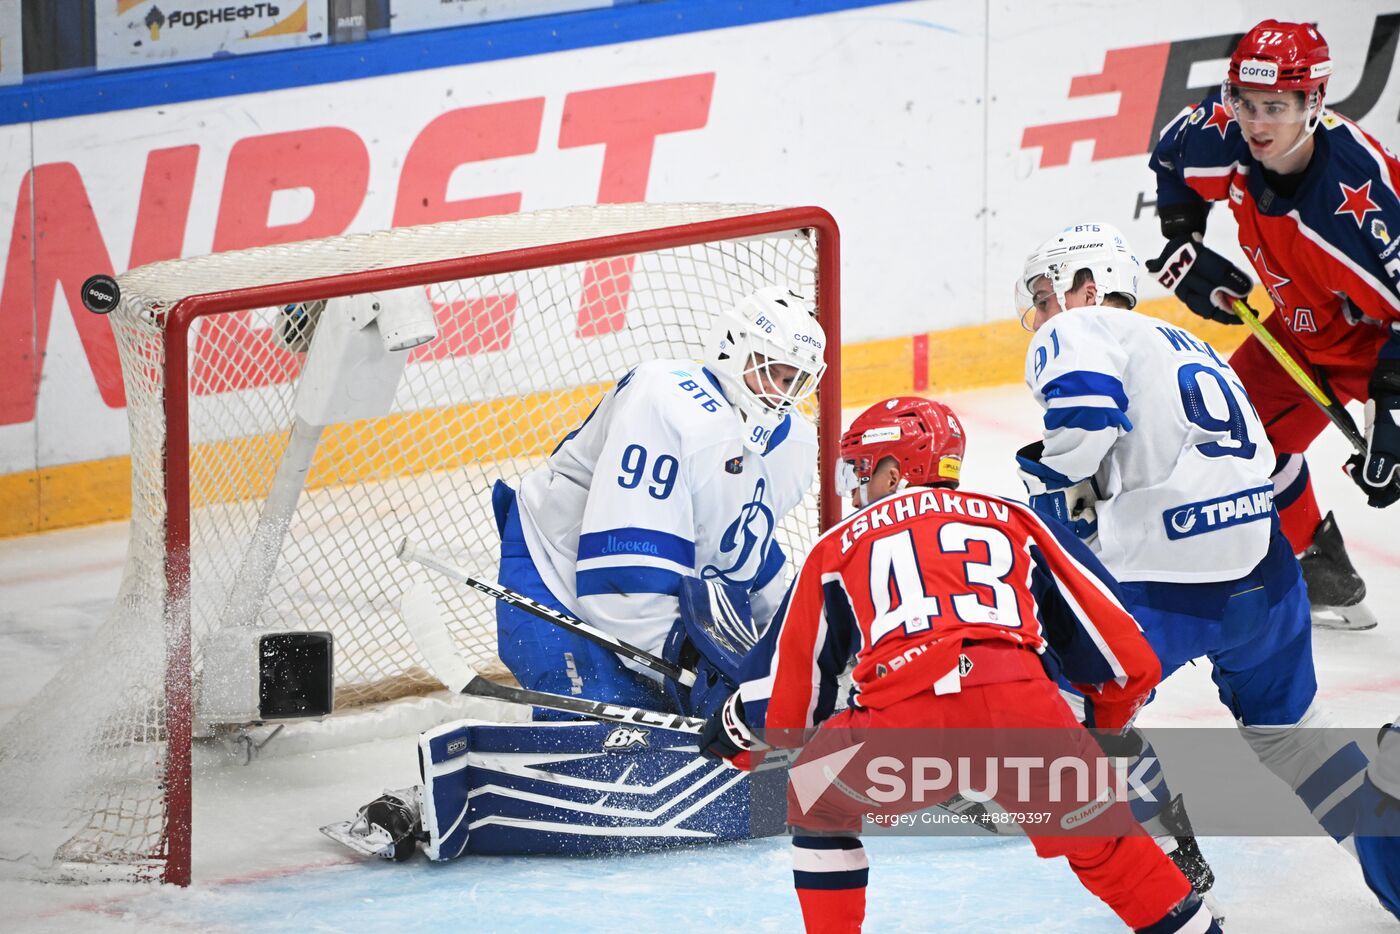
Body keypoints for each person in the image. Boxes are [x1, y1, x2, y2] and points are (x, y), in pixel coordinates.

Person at [325, 285, 829, 861]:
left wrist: (805, 646)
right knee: (615, 750)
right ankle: (417, 803)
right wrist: (694, 669)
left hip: (661, 598)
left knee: (711, 732)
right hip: (561, 577)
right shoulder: (668, 401)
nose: (784, 394)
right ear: (733, 349)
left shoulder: (791, 444)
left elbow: (748, 561)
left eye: (796, 381)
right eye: (773, 372)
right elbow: (620, 580)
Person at [699, 396, 1220, 934]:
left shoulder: (840, 543)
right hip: (1025, 711)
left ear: (895, 471)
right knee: (1106, 848)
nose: (855, 488)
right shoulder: (1018, 521)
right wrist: (1094, 732)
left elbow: (789, 701)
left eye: (860, 470)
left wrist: (736, 730)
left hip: (904, 724)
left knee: (816, 801)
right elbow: (1125, 658)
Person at [1015, 221, 1399, 919]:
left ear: (1089, 286)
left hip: (1161, 586)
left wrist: (1046, 482)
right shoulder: (1188, 345)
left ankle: (1177, 883)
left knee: (1063, 721)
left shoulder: (1077, 329)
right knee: (1296, 739)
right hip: (1266, 573)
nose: (1041, 315)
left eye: (1046, 294)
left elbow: (1084, 424)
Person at [1146, 18, 1400, 630]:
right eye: (1247, 104)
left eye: (1277, 107)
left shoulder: (1365, 203)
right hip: (1299, 330)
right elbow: (1171, 160)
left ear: (1313, 102)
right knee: (1234, 437)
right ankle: (1319, 562)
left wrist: (1392, 414)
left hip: (1379, 347)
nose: (1257, 124)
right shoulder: (1225, 132)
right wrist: (1185, 242)